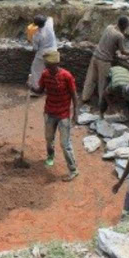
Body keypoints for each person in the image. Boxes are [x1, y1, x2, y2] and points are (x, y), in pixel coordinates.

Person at [30, 50, 79, 182]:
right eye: (46, 65)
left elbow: (74, 95)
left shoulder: (66, 76)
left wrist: (75, 114)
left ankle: (73, 169)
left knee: (65, 144)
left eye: (49, 65)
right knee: (49, 138)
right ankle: (50, 156)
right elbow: (40, 91)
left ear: (56, 64)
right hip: (49, 112)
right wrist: (31, 87)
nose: (47, 67)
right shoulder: (45, 75)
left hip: (63, 114)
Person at [82, 16, 129, 105]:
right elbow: (123, 51)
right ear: (124, 26)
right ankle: (101, 103)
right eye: (127, 25)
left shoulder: (109, 27)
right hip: (104, 61)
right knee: (102, 84)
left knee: (90, 79)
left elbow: (110, 44)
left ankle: (85, 97)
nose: (128, 27)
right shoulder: (119, 36)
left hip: (95, 56)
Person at [29, 15, 57, 91]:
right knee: (52, 71)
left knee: (35, 69)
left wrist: (30, 40)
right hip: (53, 52)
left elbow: (35, 48)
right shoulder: (49, 25)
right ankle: (53, 87)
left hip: (42, 54)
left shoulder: (36, 34)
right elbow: (50, 17)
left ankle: (36, 87)